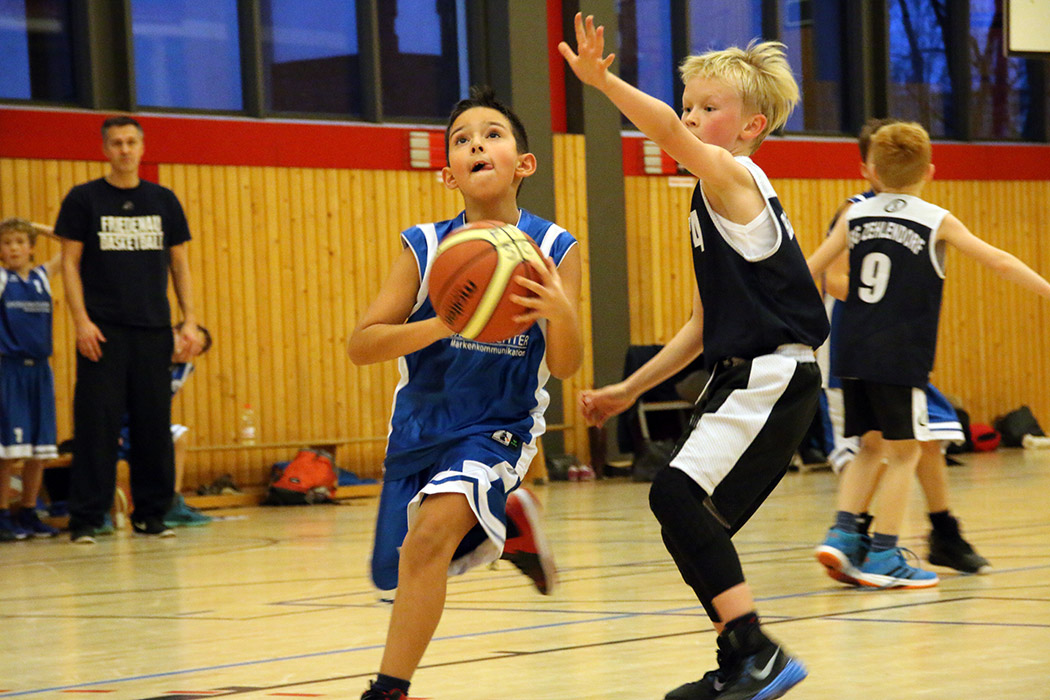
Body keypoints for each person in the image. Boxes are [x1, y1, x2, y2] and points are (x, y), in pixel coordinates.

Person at [564, 15, 826, 700]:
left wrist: (603, 82)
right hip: (751, 375)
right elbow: (702, 325)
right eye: (688, 106)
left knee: (676, 495)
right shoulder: (713, 201)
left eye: (710, 108)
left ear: (751, 127)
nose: (690, 118)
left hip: (772, 372)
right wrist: (630, 389)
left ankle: (756, 652)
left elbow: (665, 135)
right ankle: (741, 658)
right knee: (687, 515)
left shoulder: (734, 175)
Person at [349, 86, 583, 700]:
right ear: (448, 173)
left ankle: (388, 690)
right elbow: (362, 345)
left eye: (492, 134)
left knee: (427, 542)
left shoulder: (554, 249)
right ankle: (510, 522)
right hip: (421, 426)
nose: (477, 144)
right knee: (397, 568)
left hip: (499, 427)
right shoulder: (425, 247)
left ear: (523, 163)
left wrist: (562, 312)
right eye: (462, 140)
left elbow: (565, 365)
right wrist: (444, 321)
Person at [809, 121, 1050, 589]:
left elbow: (810, 270)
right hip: (897, 353)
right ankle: (884, 554)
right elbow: (998, 260)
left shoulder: (854, 215)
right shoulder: (935, 218)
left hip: (850, 350)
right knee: (905, 454)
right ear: (930, 172)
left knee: (870, 447)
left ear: (872, 170)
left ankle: (842, 533)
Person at [55, 115, 206, 544]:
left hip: (153, 330)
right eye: (116, 143)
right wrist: (81, 321)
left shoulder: (163, 200)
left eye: (131, 142)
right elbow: (69, 264)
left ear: (142, 147)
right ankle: (87, 518)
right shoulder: (84, 199)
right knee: (96, 425)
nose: (124, 149)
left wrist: (188, 320)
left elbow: (179, 264)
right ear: (105, 150)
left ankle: (151, 514)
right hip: (102, 332)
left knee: (153, 425)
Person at [115, 322, 214, 527]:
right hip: (118, 424)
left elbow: (164, 403)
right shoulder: (144, 355)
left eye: (196, 348)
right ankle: (103, 512)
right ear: (174, 334)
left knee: (179, 436)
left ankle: (172, 503)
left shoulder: (183, 369)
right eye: (187, 340)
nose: (189, 348)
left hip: (147, 425)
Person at [0, 219, 62, 541]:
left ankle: (28, 512)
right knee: (8, 451)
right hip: (9, 369)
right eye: (6, 242)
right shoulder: (2, 279)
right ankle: (2, 516)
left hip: (40, 370)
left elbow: (72, 244)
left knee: (40, 450)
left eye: (20, 241)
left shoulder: (42, 277)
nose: (13, 248)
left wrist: (35, 226)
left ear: (31, 247)